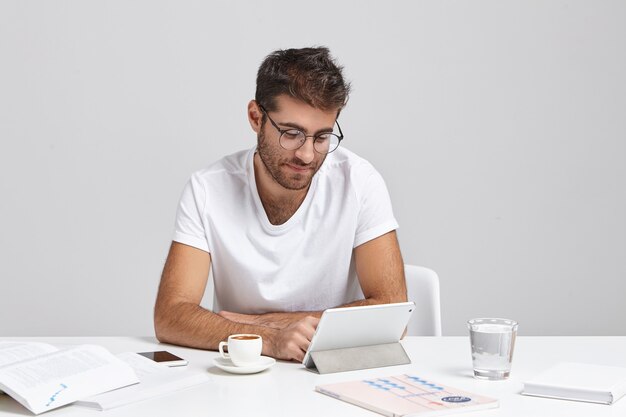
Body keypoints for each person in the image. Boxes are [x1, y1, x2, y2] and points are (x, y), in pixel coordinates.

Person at [154, 46, 407, 362]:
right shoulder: (208, 188)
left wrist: (261, 324)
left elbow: (393, 311)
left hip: (328, 368)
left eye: (321, 137)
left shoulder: (359, 181)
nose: (307, 155)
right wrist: (270, 340)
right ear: (256, 117)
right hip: (242, 372)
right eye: (291, 134)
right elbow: (169, 316)